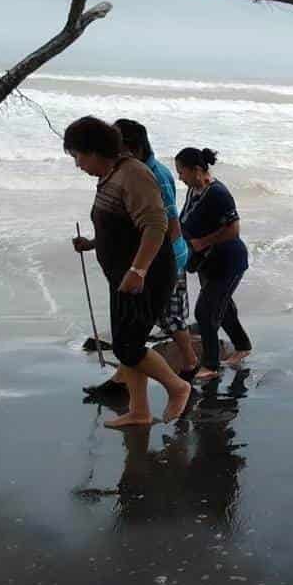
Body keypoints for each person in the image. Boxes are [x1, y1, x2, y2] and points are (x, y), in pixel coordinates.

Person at [66, 116, 191, 427]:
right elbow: (122, 227)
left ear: (94, 150)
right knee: (127, 345)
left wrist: (138, 269)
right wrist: (93, 243)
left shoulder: (135, 174)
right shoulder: (113, 174)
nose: (78, 164)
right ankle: (139, 411)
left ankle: (178, 388)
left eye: (78, 156)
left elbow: (156, 225)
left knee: (128, 345)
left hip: (146, 276)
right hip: (124, 276)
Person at [115, 119, 197, 376]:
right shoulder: (140, 171)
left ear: (132, 147)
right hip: (158, 256)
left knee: (169, 318)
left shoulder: (155, 175)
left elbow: (171, 223)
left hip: (167, 257)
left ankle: (190, 364)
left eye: (117, 146)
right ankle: (123, 375)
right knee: (152, 318)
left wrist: (156, 265)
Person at [175, 147, 252, 381]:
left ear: (197, 170)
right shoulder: (194, 190)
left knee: (205, 311)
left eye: (182, 172)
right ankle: (242, 346)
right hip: (206, 261)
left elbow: (233, 229)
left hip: (227, 261)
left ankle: (210, 364)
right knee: (222, 305)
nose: (180, 177)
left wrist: (202, 242)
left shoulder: (218, 193)